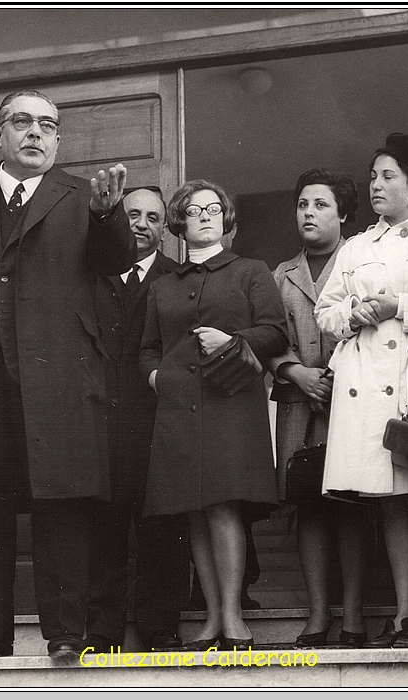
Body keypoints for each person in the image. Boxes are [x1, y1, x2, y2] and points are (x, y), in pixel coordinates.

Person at [0, 89, 136, 661]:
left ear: (58, 139)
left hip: (59, 382)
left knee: (62, 507)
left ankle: (67, 634)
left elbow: (117, 265)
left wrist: (110, 215)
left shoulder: (84, 197)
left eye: (47, 125)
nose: (35, 133)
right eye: (21, 122)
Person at [315, 133, 408, 648]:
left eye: (388, 176)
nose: (376, 185)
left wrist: (401, 307)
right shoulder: (356, 246)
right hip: (367, 381)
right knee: (389, 499)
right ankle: (403, 611)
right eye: (373, 176)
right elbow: (324, 313)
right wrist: (353, 314)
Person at [140, 179, 288, 650]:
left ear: (225, 220)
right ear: (179, 224)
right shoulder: (163, 285)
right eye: (193, 210)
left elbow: (276, 332)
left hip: (231, 403)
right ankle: (209, 618)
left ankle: (232, 617)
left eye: (214, 209)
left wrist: (234, 341)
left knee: (223, 507)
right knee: (194, 513)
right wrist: (156, 379)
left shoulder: (250, 270)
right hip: (177, 408)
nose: (205, 216)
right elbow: (147, 349)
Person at [86, 187, 190, 652]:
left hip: (158, 421)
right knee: (102, 526)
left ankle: (159, 627)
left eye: (153, 216)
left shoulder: (178, 277)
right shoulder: (92, 273)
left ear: (165, 226)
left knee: (163, 527)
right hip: (100, 420)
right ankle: (102, 629)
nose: (141, 224)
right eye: (132, 214)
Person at [268, 169, 368, 647]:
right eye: (303, 204)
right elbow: (268, 337)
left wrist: (340, 378)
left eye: (321, 204)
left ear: (344, 213)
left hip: (352, 403)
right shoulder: (280, 275)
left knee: (349, 506)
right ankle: (316, 615)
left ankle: (352, 617)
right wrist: (294, 372)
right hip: (297, 403)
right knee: (307, 508)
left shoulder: (362, 261)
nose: (308, 212)